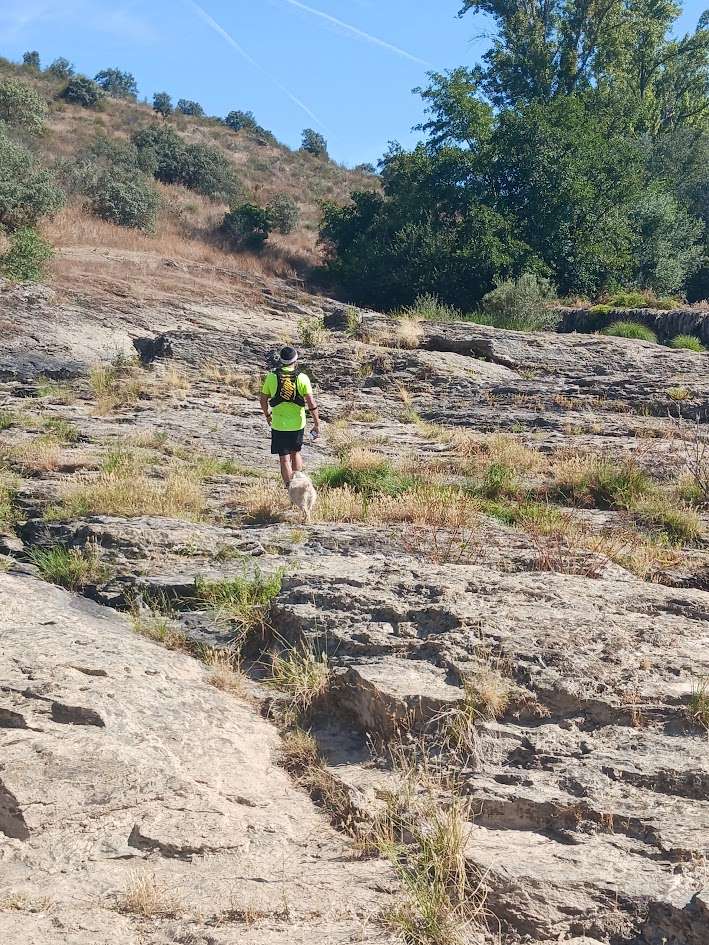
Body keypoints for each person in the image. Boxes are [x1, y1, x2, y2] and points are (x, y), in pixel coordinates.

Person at [259, 346, 320, 485]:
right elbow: (311, 402)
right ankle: (298, 484)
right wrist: (317, 423)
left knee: (284, 458)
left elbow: (263, 400)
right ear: (295, 360)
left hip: (279, 424)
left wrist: (268, 416)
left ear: (281, 360)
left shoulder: (271, 377)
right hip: (298, 424)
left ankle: (289, 488)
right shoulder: (302, 378)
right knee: (296, 453)